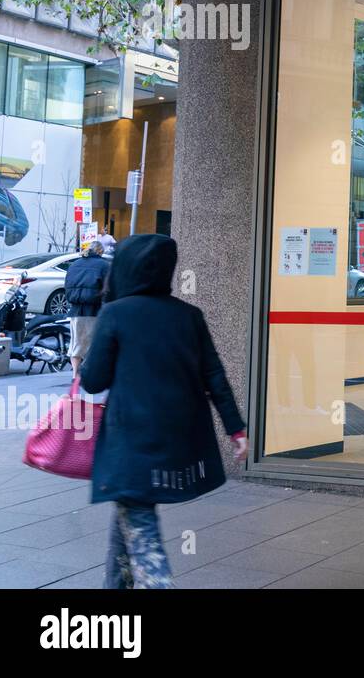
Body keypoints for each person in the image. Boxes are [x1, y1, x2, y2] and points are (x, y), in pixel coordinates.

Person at [80, 234, 246, 589]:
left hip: (130, 446)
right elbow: (214, 376)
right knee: (128, 515)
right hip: (178, 443)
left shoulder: (116, 314)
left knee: (144, 538)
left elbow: (92, 381)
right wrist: (236, 429)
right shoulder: (188, 316)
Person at [65, 240, 110, 374]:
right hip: (94, 310)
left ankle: (74, 374)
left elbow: (67, 285)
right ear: (100, 251)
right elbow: (108, 288)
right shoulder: (103, 265)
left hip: (75, 310)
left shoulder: (74, 264)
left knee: (76, 343)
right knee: (92, 344)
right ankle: (89, 373)